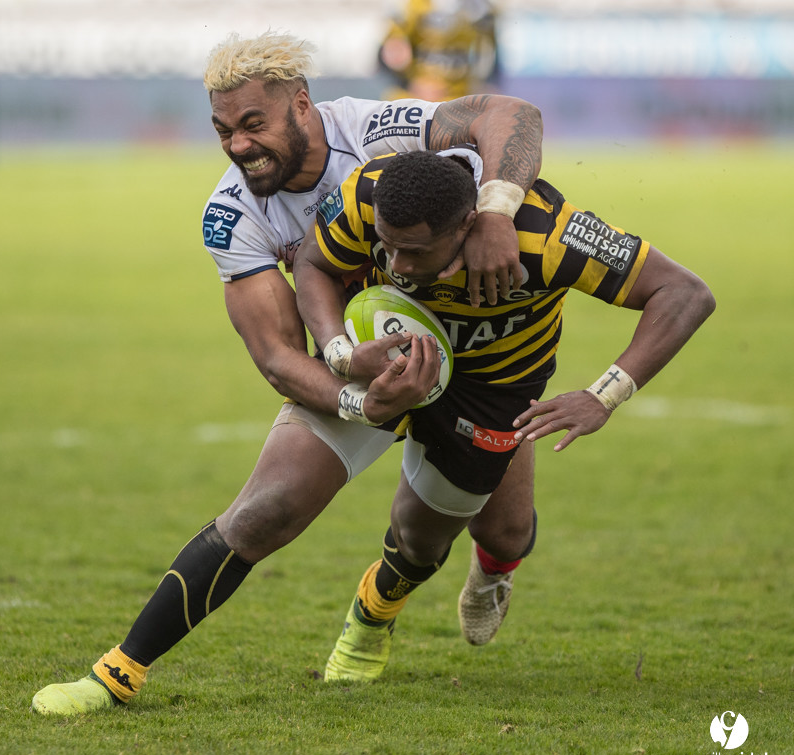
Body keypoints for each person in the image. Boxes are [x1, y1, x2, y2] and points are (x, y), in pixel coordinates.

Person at [31, 31, 544, 716]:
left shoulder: (376, 129)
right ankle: (117, 673)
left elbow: (515, 116)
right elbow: (277, 356)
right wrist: (361, 397)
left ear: (302, 106)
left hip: (477, 361)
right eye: (222, 131)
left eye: (253, 124)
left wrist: (496, 211)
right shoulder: (231, 215)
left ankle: (385, 602)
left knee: (491, 534)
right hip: (353, 373)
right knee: (265, 509)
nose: (238, 146)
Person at [291, 149, 714, 682]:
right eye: (387, 247)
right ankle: (369, 627)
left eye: (414, 251)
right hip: (388, 360)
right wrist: (338, 353)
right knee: (365, 521)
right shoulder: (368, 192)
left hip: (497, 387)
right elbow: (313, 263)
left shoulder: (549, 238)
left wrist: (603, 395)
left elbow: (686, 292)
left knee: (495, 535)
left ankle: (479, 573)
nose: (396, 266)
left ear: (468, 225)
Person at [377, 0, 501, 102]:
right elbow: (389, 53)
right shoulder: (410, 7)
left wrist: (483, 84)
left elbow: (491, 53)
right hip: (414, 99)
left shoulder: (481, 9)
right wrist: (409, 84)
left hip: (459, 99)